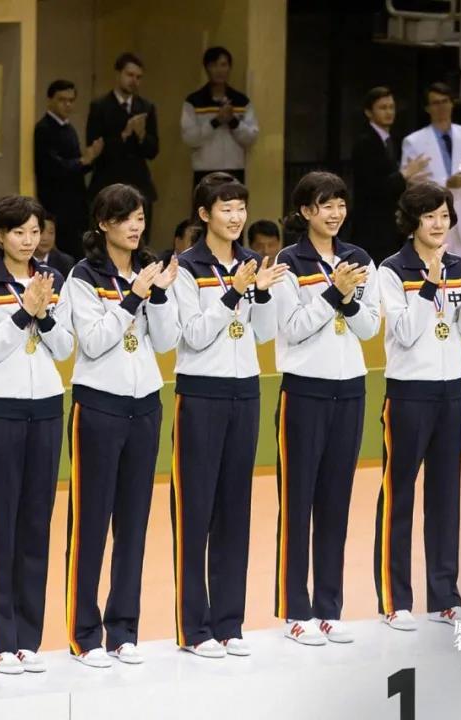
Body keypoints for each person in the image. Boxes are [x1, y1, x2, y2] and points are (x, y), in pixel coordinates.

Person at [171, 172, 287, 658]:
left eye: (241, 208)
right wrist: (234, 293)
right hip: (201, 392)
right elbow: (193, 335)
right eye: (226, 209)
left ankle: (228, 623)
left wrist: (261, 292)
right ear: (204, 215)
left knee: (235, 511)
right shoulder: (184, 267)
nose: (236, 217)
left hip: (245, 391)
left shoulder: (251, 263)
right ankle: (194, 629)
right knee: (195, 511)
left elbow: (263, 333)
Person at [63, 184, 179, 667]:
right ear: (103, 223)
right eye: (125, 218)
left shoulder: (149, 270)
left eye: (140, 217)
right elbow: (92, 342)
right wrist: (132, 298)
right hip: (99, 406)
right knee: (91, 523)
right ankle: (85, 635)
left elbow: (167, 341)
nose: (135, 226)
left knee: (133, 524)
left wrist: (161, 295)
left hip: (145, 404)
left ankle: (124, 630)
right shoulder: (82, 276)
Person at [0, 195, 74, 674]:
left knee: (35, 526)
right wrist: (23, 313)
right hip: (0, 413)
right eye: (19, 232)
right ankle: (2, 641)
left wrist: (43, 314)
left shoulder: (54, 280)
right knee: (0, 527)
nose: (29, 241)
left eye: (34, 232)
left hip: (46, 410)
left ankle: (29, 639)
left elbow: (65, 348)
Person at [374, 182, 461, 632]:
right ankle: (395, 600)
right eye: (430, 216)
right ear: (412, 222)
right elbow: (404, 333)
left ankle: (445, 597)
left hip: (451, 390)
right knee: (399, 495)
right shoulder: (391, 269)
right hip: (409, 392)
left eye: (444, 215)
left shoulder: (458, 265)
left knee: (445, 497)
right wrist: (428, 284)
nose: (439, 224)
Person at [272, 172, 379, 645]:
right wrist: (334, 293)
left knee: (336, 503)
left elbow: (370, 327)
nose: (335, 213)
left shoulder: (360, 259)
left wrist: (349, 300)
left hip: (350, 389)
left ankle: (329, 608)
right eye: (324, 205)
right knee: (298, 504)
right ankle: (295, 611)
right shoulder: (288, 262)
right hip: (304, 391)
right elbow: (293, 327)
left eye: (339, 204)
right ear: (305, 212)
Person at [400, 83, 461, 262]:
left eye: (445, 101)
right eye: (436, 103)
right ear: (427, 108)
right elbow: (412, 183)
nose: (442, 107)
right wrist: (446, 183)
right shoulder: (414, 141)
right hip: (430, 219)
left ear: (452, 103)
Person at [352, 86, 430, 265]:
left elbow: (391, 183)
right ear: (369, 112)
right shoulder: (365, 142)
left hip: (390, 225)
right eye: (383, 107)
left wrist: (408, 181)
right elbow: (374, 186)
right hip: (372, 226)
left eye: (391, 107)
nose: (389, 112)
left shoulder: (390, 140)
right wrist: (405, 173)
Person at [86, 53, 159, 240]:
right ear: (118, 74)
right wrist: (124, 134)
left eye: (138, 77)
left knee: (139, 239)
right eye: (130, 75)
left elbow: (153, 150)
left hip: (138, 182)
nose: (134, 81)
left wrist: (142, 136)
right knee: (105, 238)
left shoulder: (146, 107)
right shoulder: (100, 106)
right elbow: (93, 147)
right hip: (107, 180)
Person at [34, 79, 103, 260]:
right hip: (57, 204)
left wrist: (90, 159)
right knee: (68, 255)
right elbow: (53, 167)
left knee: (83, 253)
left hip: (76, 204)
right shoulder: (44, 129)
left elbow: (76, 166)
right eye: (62, 100)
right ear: (50, 100)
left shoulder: (69, 128)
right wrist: (83, 161)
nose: (67, 104)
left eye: (71, 100)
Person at [180, 46, 259, 189]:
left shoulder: (241, 101)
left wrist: (233, 121)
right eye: (214, 65)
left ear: (229, 68)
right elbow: (190, 138)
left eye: (223, 65)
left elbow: (251, 137)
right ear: (206, 68)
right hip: (204, 172)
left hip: (234, 171)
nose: (219, 70)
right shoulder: (194, 101)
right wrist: (216, 121)